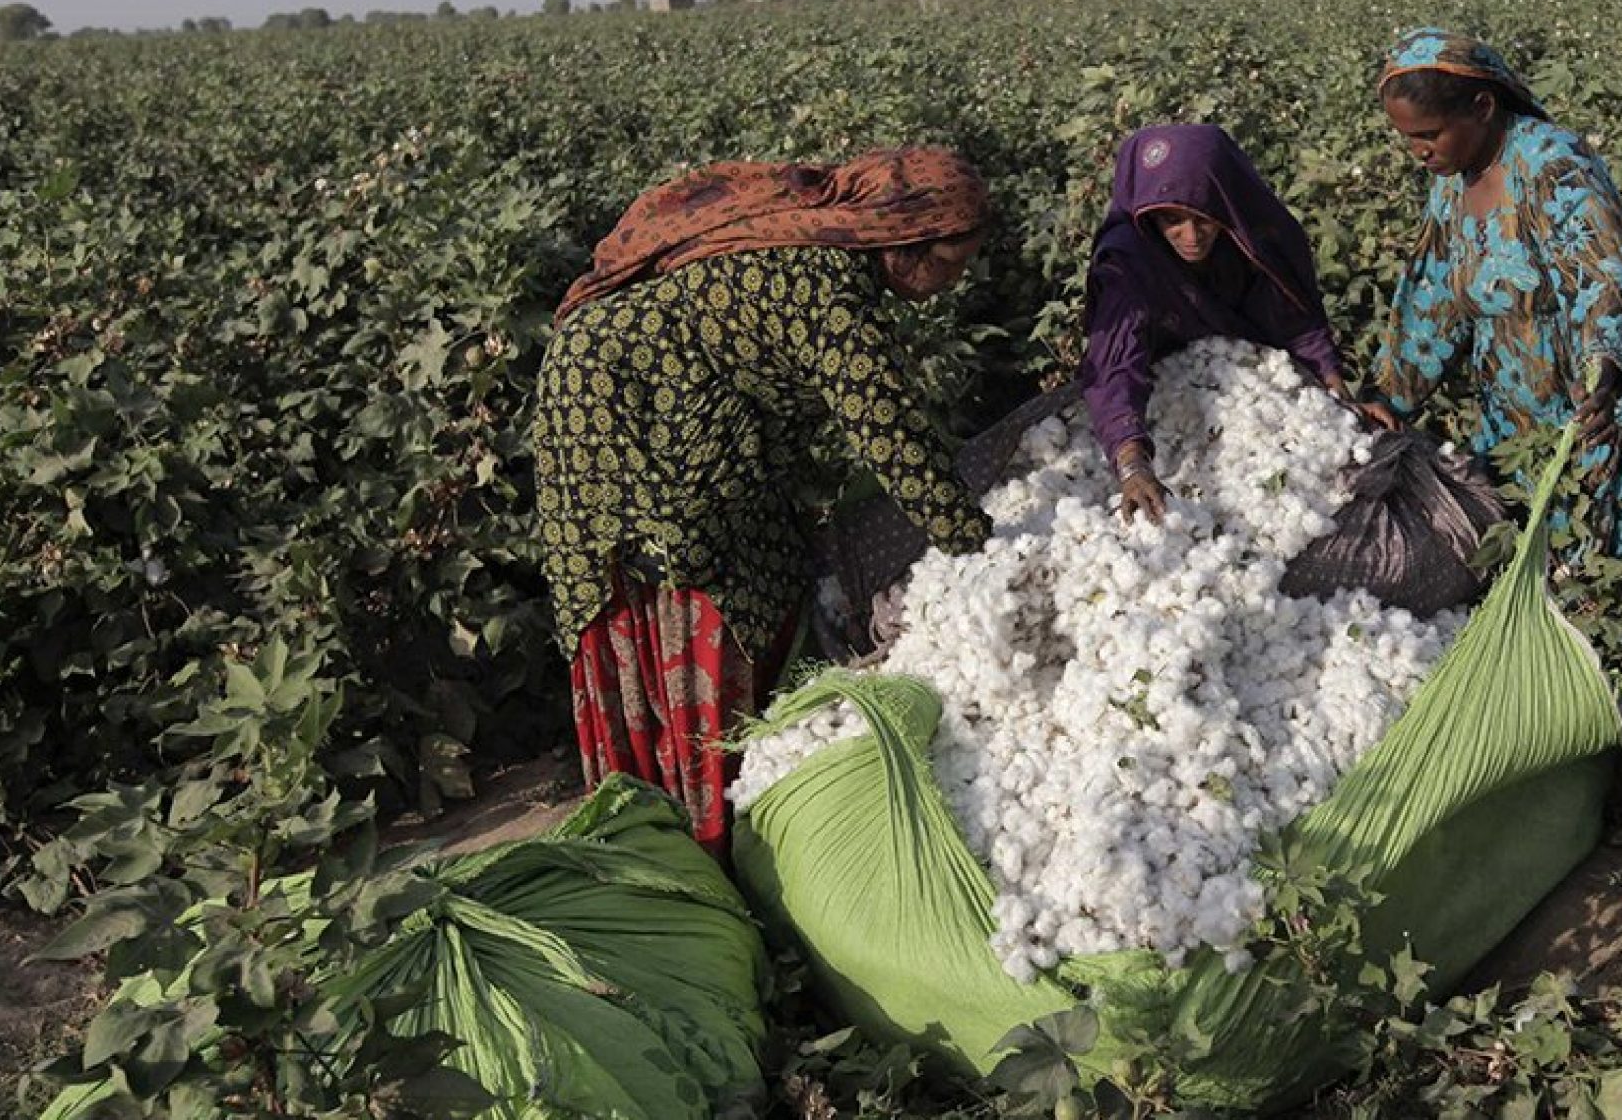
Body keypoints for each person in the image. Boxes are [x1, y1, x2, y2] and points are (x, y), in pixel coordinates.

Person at [531, 147, 993, 853]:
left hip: (642, 386)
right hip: (620, 406)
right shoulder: (829, 290)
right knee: (708, 576)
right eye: (952, 262)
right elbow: (895, 438)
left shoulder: (829, 259)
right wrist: (979, 547)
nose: (957, 280)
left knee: (760, 555)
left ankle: (698, 816)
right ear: (905, 243)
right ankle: (697, 827)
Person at [1370, 28, 1622, 563]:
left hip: (1601, 391)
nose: (1419, 151)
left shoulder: (1552, 164)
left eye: (1430, 134)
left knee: (1619, 549)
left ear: (1483, 107)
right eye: (1409, 138)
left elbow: (1600, 274)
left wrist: (1604, 371)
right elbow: (1435, 295)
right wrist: (1389, 396)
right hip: (1516, 401)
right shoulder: (1450, 178)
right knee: (1536, 545)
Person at [1080, 123, 1395, 523]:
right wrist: (1132, 464)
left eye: (1204, 219)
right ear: (1147, 213)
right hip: (1159, 398)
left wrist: (1339, 404)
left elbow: (1296, 323)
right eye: (1171, 220)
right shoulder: (1130, 263)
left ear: (1225, 205)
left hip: (1253, 388)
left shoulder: (1254, 235)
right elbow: (1115, 367)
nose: (1191, 236)